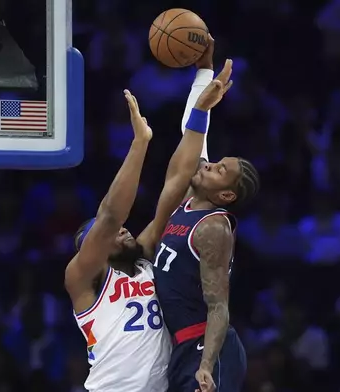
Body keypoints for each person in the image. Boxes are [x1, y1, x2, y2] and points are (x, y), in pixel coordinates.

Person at [66, 36, 235, 392]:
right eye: (102, 236)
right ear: (90, 247)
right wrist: (139, 143)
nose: (121, 230)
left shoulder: (145, 258)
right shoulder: (84, 278)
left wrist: (202, 91)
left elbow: (179, 179)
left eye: (120, 229)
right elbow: (110, 215)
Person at [153, 103, 260, 391]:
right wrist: (203, 79)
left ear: (226, 194)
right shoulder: (187, 203)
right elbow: (194, 138)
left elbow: (218, 307)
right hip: (182, 345)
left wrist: (206, 365)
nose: (210, 164)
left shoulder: (213, 227)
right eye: (216, 161)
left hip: (206, 348)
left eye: (219, 170)